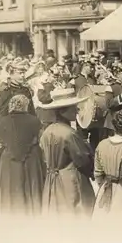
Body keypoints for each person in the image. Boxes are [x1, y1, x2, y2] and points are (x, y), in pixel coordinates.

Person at [38, 88, 96, 218]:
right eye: (74, 107)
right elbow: (82, 159)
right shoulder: (70, 133)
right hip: (70, 180)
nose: (77, 110)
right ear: (64, 111)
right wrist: (91, 171)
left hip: (51, 179)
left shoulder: (46, 131)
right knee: (75, 214)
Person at [0, 95, 46, 217]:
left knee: (10, 193)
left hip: (9, 163)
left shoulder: (3, 121)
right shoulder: (35, 121)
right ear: (25, 106)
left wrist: (10, 148)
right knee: (32, 194)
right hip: (31, 161)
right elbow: (42, 143)